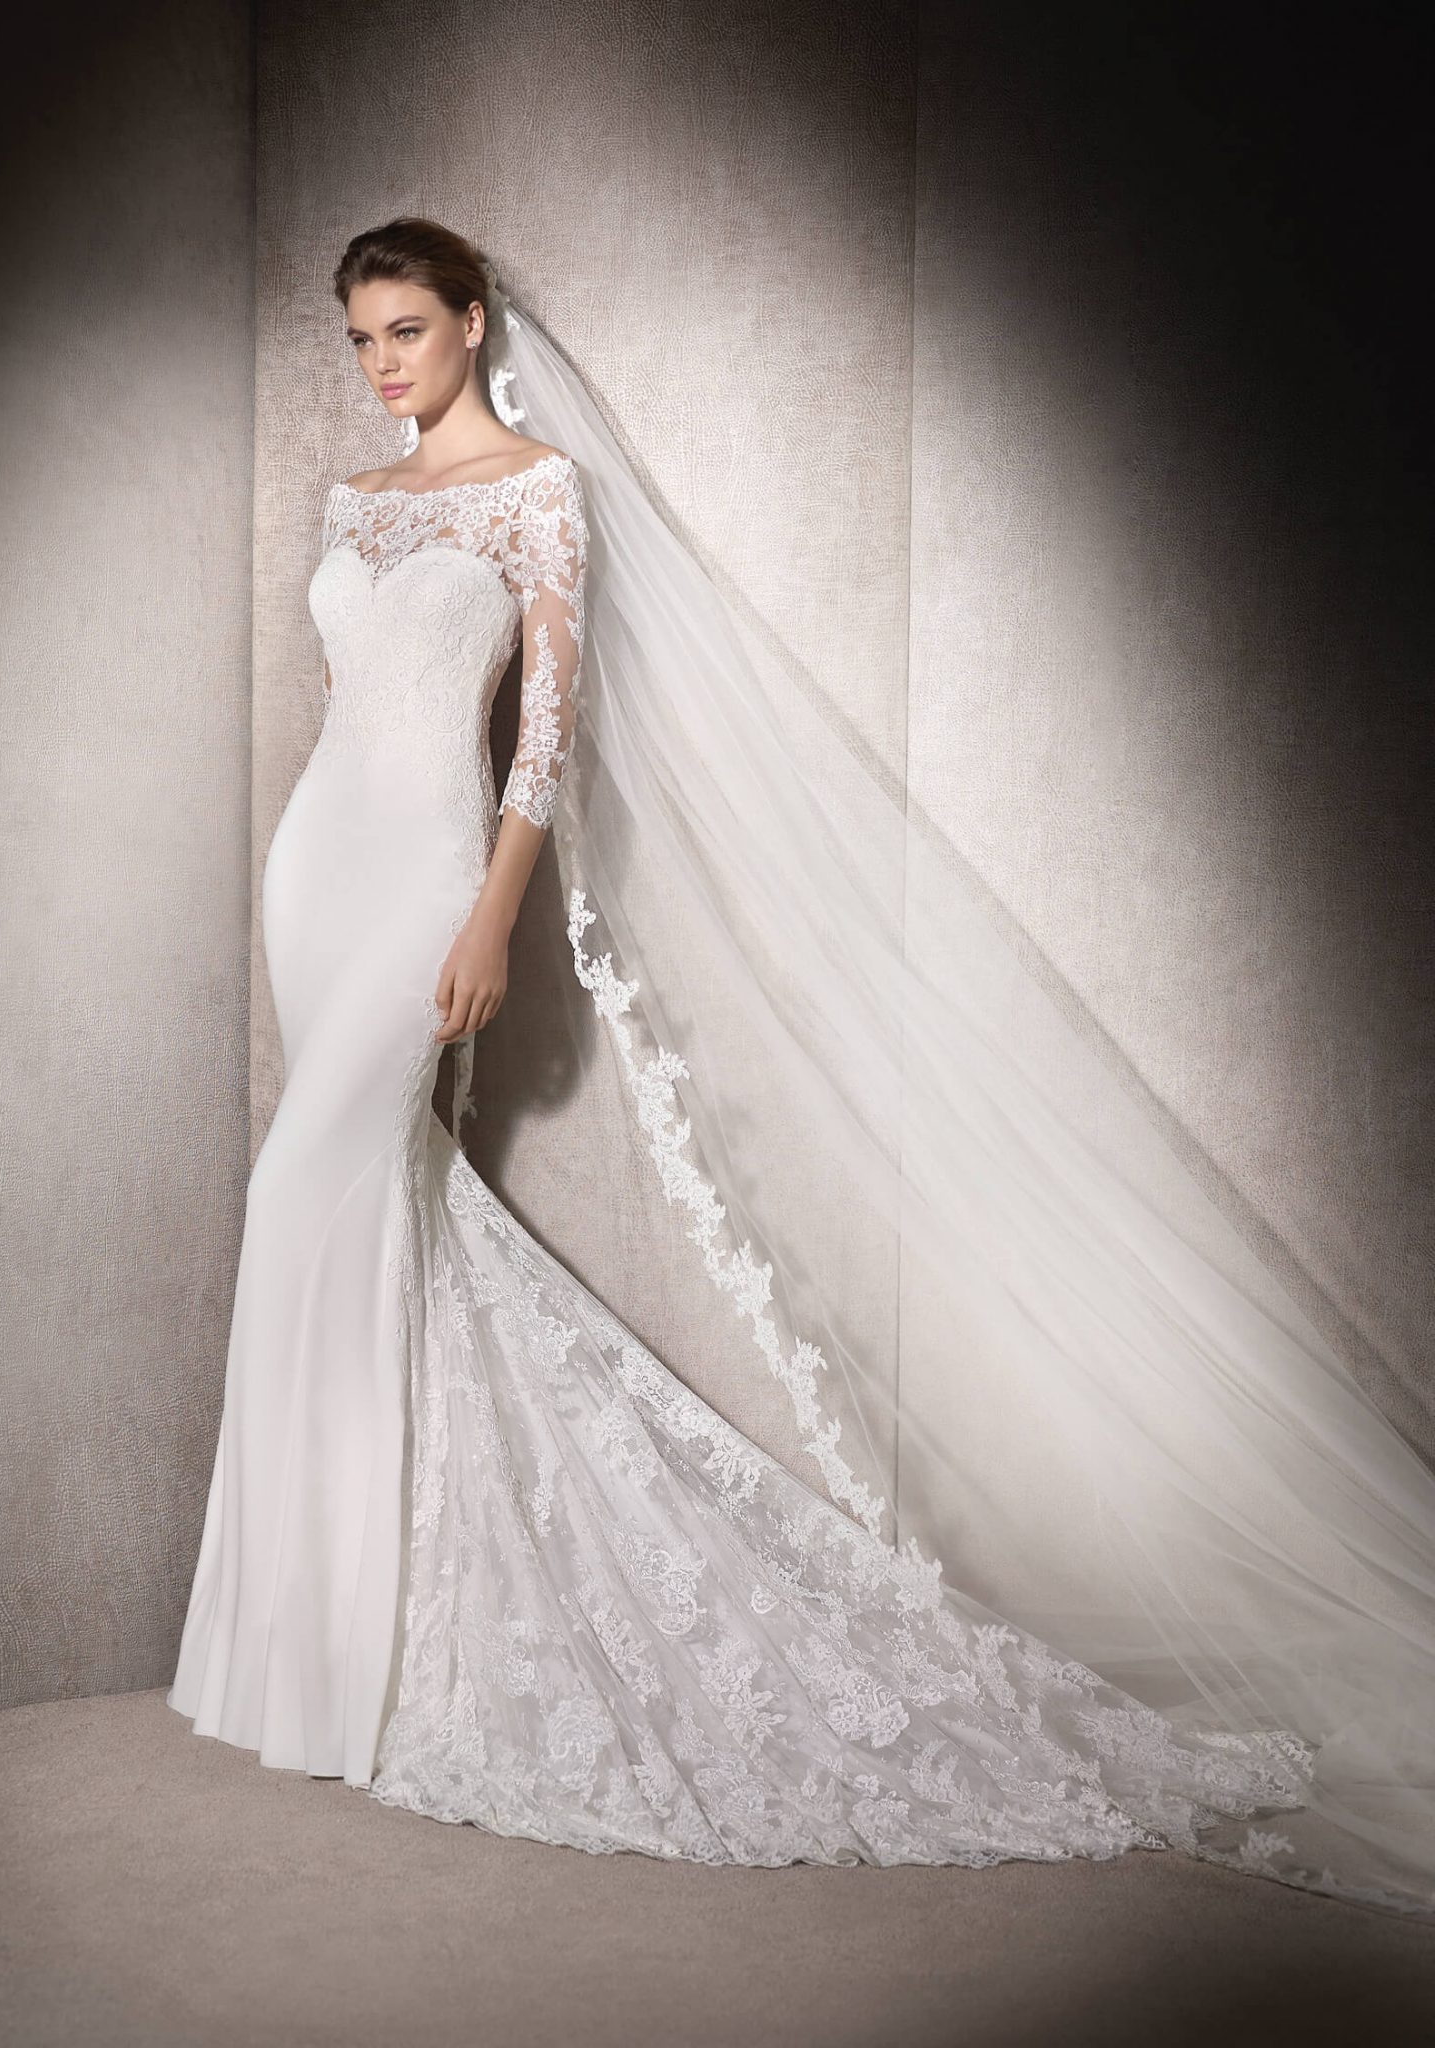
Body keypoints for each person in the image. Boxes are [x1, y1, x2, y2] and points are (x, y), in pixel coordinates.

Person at [170, 218, 1435, 1909]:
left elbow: (542, 734)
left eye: (406, 327)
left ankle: (341, 1650)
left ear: (473, 321)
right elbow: (347, 709)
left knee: (310, 1201)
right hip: (316, 869)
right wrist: (316, 862)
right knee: (344, 1218)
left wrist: (489, 917)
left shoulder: (540, 491)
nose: (382, 363)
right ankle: (298, 1647)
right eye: (359, 339)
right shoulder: (353, 503)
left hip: (425, 879)